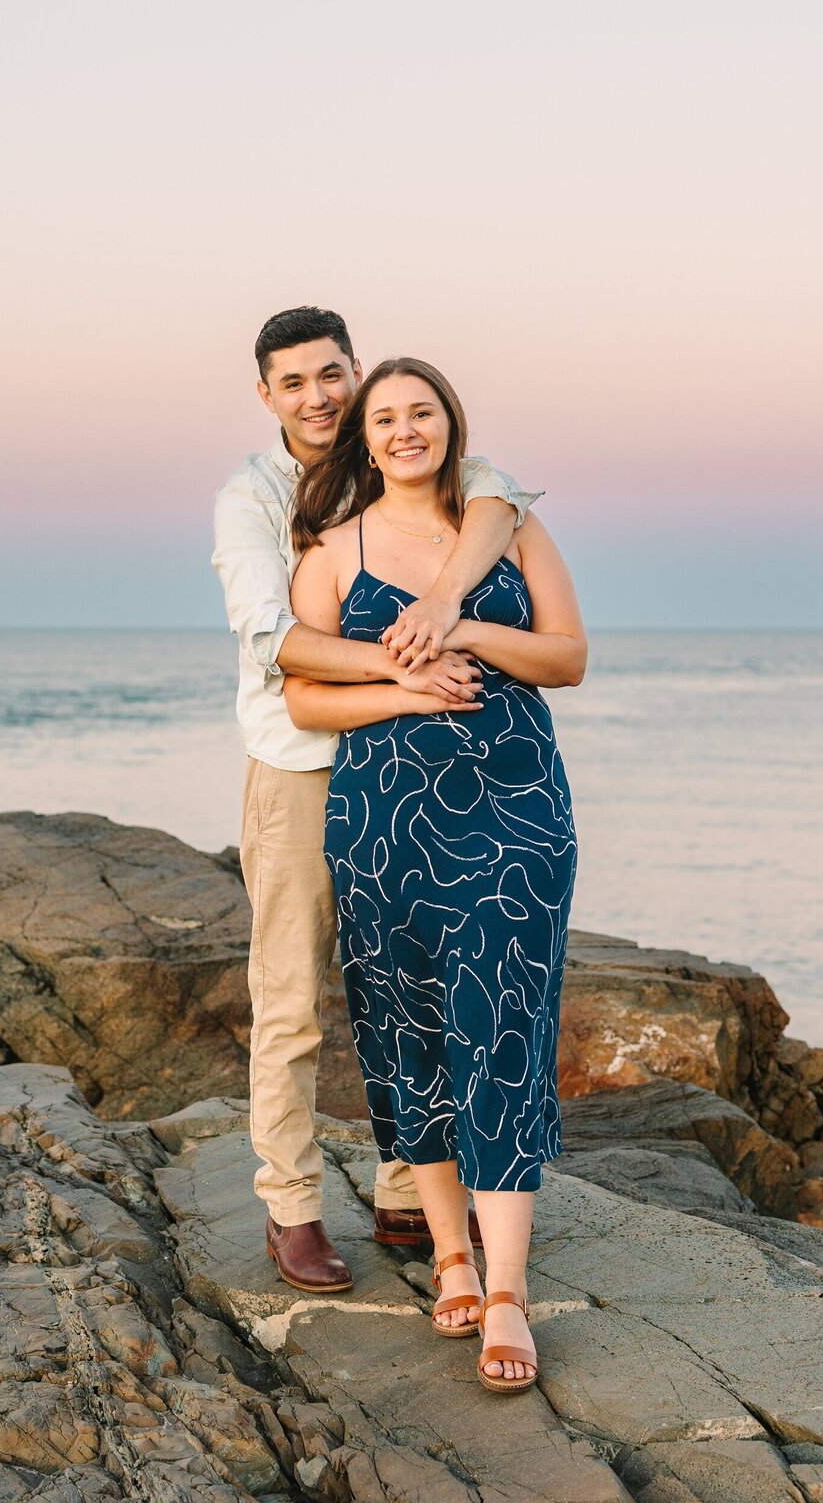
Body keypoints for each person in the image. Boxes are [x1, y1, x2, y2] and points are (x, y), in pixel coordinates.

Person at [213, 309, 538, 1295]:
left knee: (413, 985)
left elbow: (500, 498)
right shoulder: (250, 497)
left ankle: (410, 1190)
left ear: (355, 374)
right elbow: (273, 637)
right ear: (266, 396)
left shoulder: (396, 454)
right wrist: (408, 662)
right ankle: (293, 1207)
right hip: (306, 765)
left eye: (331, 375)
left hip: (416, 771)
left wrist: (440, 602)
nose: (318, 396)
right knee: (296, 994)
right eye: (294, 382)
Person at [284, 356, 586, 1392]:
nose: (405, 431)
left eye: (423, 413)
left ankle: (506, 1289)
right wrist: (409, 695)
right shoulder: (331, 553)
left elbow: (568, 658)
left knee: (503, 1022)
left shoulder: (510, 527)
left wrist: (461, 626)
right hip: (383, 819)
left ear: (452, 425)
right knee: (409, 1027)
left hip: (516, 809)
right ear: (364, 440)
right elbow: (304, 699)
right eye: (386, 418)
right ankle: (448, 1251)